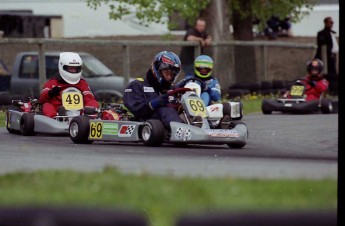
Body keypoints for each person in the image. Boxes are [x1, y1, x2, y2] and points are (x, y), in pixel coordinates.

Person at [123, 51, 185, 130]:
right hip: (147, 124)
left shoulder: (173, 89)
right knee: (165, 110)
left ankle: (200, 128)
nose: (169, 77)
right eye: (167, 73)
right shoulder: (137, 85)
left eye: (172, 75)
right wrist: (155, 103)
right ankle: (182, 130)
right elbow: (135, 109)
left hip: (168, 124)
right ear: (157, 68)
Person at [39, 52, 99, 118]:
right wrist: (50, 93)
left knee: (93, 102)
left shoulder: (82, 83)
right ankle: (57, 117)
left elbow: (89, 98)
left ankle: (87, 117)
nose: (73, 71)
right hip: (59, 111)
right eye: (71, 68)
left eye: (75, 69)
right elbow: (42, 99)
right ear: (63, 67)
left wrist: (85, 99)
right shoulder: (53, 83)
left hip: (80, 112)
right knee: (47, 106)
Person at [314, 17, 338, 95]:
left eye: (332, 22)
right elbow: (322, 46)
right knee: (328, 74)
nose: (332, 24)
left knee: (333, 74)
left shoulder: (331, 33)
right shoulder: (322, 33)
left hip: (332, 56)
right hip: (326, 57)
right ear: (326, 23)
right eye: (330, 22)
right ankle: (329, 91)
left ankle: (333, 90)